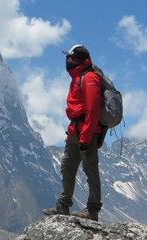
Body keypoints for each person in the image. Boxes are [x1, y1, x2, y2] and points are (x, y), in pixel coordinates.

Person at [42, 44, 107, 221]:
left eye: (69, 58)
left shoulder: (89, 78)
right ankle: (63, 206)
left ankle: (93, 210)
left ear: (78, 60)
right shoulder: (77, 78)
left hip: (87, 132)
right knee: (67, 167)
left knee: (90, 169)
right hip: (75, 131)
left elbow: (93, 112)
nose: (66, 61)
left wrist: (85, 139)